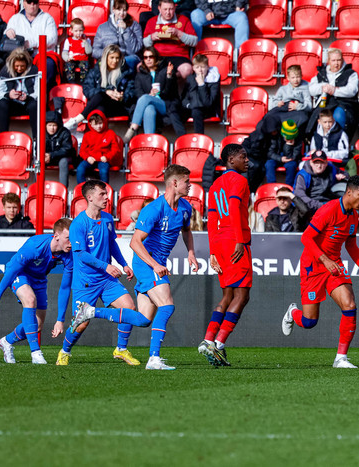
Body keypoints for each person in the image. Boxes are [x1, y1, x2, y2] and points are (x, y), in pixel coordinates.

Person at [281, 175, 359, 368]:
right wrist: (324, 259)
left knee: (350, 305)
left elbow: (351, 246)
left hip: (334, 265)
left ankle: (340, 358)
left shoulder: (353, 216)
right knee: (309, 321)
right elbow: (306, 238)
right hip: (313, 265)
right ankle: (293, 312)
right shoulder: (329, 209)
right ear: (349, 192)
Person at [57, 180, 145, 366]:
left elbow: (112, 243)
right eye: (102, 194)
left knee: (129, 308)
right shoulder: (78, 224)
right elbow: (81, 255)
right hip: (86, 281)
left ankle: (121, 349)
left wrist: (124, 264)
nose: (107, 198)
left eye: (106, 194)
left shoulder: (107, 219)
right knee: (81, 323)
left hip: (106, 279)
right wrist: (106, 266)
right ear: (89, 197)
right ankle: (64, 351)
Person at [128, 165, 198, 369]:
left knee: (143, 319)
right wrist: (155, 265)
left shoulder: (185, 208)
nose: (190, 185)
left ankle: (91, 312)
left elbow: (186, 231)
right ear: (174, 183)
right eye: (186, 181)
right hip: (146, 262)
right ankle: (154, 358)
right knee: (167, 306)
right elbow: (135, 242)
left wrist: (191, 253)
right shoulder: (153, 209)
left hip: (157, 263)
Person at [0, 218, 73, 364]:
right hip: (20, 274)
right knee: (30, 299)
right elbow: (12, 270)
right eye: (68, 238)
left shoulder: (69, 255)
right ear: (56, 236)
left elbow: (65, 287)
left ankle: (6, 342)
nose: (71, 242)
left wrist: (60, 320)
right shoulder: (35, 246)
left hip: (39, 279)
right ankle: (36, 353)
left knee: (37, 324)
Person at [198, 144, 252, 367]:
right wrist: (239, 239)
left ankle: (208, 339)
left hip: (220, 241)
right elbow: (234, 207)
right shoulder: (239, 180)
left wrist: (212, 251)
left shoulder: (215, 185)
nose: (247, 160)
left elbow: (211, 219)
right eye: (243, 156)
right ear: (231, 160)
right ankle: (218, 344)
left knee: (228, 295)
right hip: (235, 240)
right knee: (242, 295)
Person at [65, 44, 136, 130]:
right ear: (106, 58)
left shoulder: (127, 72)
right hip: (100, 105)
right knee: (100, 102)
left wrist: (122, 97)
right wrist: (106, 92)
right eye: (112, 57)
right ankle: (99, 135)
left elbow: (132, 92)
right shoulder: (96, 71)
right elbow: (87, 89)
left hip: (118, 106)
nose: (115, 61)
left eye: (117, 58)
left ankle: (76, 121)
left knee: (101, 97)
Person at [123, 46, 184, 142]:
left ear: (156, 58)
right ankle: (149, 141)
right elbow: (139, 94)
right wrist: (150, 94)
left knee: (145, 98)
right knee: (149, 109)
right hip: (150, 104)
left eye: (150, 57)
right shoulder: (140, 75)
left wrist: (169, 76)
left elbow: (170, 92)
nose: (148, 59)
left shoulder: (165, 70)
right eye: (145, 57)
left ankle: (133, 127)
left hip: (166, 104)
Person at [3, 0, 57, 89]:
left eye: (35, 2)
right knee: (8, 63)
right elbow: (7, 34)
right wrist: (8, 32)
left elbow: (52, 39)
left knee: (49, 64)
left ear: (38, 3)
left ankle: (42, 93)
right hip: (21, 55)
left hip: (41, 55)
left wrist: (30, 43)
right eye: (29, 2)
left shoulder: (47, 18)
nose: (32, 5)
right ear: (23, 3)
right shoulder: (15, 18)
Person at [307, 48, 359, 138]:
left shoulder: (351, 73)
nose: (336, 63)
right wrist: (323, 87)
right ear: (328, 61)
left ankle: (339, 142)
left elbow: (352, 90)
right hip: (326, 103)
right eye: (333, 60)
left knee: (338, 115)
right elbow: (311, 89)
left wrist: (334, 90)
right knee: (318, 117)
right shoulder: (321, 73)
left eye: (339, 60)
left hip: (345, 104)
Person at [143, 0, 197, 81]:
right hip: (158, 56)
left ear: (175, 8)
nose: (168, 12)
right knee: (140, 67)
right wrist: (152, 37)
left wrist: (179, 33)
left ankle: (174, 83)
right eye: (165, 9)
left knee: (187, 69)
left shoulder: (183, 20)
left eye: (171, 9)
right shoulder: (152, 21)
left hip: (179, 55)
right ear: (159, 8)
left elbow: (194, 41)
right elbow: (145, 43)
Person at [0, 47, 37, 137]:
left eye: (22, 66)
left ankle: (36, 138)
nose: (19, 69)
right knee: (2, 104)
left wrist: (28, 97)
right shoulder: (4, 72)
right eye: (16, 66)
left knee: (34, 105)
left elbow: (38, 92)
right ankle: (3, 136)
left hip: (27, 103)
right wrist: (9, 94)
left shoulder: (34, 71)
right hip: (12, 103)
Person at [93, 0, 143, 71]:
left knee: (126, 61)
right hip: (109, 59)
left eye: (124, 10)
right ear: (113, 9)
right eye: (119, 9)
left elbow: (134, 50)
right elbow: (95, 51)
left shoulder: (135, 25)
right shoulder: (102, 28)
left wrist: (126, 30)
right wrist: (110, 54)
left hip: (127, 59)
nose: (122, 13)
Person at [76, 111, 123, 184]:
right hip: (91, 158)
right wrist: (87, 157)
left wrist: (107, 157)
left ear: (104, 122)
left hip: (103, 159)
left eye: (100, 123)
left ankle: (104, 189)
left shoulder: (110, 133)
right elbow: (82, 151)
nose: (99, 126)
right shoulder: (87, 135)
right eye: (95, 124)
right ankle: (82, 189)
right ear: (90, 124)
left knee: (104, 171)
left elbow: (115, 149)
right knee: (80, 169)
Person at [180, 53, 220, 135]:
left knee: (196, 111)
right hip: (192, 107)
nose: (200, 70)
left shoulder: (214, 79)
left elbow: (208, 103)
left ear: (207, 67)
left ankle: (199, 137)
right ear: (193, 68)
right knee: (175, 109)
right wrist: (189, 105)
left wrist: (202, 85)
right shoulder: (190, 78)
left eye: (202, 67)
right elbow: (184, 98)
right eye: (197, 67)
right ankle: (180, 136)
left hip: (208, 110)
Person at [241, 113, 281, 192]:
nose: (275, 132)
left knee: (262, 169)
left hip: (258, 157)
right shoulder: (259, 135)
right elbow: (253, 151)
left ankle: (252, 191)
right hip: (247, 155)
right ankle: (248, 191)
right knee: (254, 167)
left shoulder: (272, 136)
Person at [267, 64, 312, 131]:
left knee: (303, 118)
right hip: (283, 108)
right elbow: (273, 103)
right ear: (288, 78)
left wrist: (297, 106)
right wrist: (277, 103)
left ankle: (289, 133)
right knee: (269, 117)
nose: (296, 80)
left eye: (298, 77)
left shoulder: (305, 88)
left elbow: (309, 106)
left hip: (297, 109)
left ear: (301, 76)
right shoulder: (282, 89)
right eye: (293, 78)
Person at [44, 110, 74, 188]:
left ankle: (63, 189)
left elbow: (67, 149)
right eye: (49, 125)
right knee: (39, 161)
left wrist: (51, 155)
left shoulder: (65, 132)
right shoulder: (41, 133)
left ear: (58, 125)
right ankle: (37, 188)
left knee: (63, 162)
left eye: (54, 125)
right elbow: (37, 148)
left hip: (62, 157)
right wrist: (44, 156)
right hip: (48, 158)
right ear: (46, 125)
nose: (52, 128)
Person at [265, 119, 300, 185]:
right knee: (269, 164)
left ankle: (288, 187)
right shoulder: (275, 137)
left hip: (289, 159)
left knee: (291, 165)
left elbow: (293, 156)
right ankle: (271, 185)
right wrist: (280, 159)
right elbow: (270, 153)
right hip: (277, 157)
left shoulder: (298, 140)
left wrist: (288, 145)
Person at [62, 18, 92, 84]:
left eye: (80, 31)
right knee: (69, 66)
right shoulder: (68, 40)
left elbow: (89, 51)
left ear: (83, 30)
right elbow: (64, 52)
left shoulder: (87, 40)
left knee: (85, 66)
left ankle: (83, 82)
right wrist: (67, 58)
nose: (78, 33)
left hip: (83, 59)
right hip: (72, 59)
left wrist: (85, 42)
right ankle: (71, 82)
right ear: (71, 30)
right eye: (76, 31)